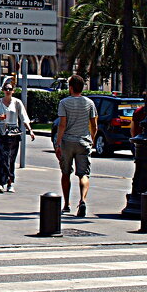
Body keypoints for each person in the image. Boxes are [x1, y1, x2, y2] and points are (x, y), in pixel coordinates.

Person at [56, 73, 97, 216]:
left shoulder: (64, 103)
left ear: (71, 87)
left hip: (67, 142)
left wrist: (58, 144)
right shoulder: (89, 103)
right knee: (84, 174)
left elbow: (62, 125)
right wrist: (91, 139)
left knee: (65, 173)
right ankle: (82, 200)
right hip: (83, 142)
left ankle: (66, 204)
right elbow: (94, 125)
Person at [0, 84, 35, 193]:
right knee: (2, 159)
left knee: (11, 159)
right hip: (1, 133)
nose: (8, 91)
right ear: (3, 90)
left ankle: (10, 182)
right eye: (6, 89)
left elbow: (24, 117)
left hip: (13, 133)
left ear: (13, 91)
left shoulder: (17, 102)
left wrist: (30, 130)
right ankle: (2, 183)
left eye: (10, 89)